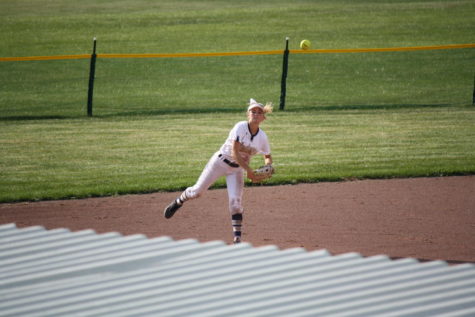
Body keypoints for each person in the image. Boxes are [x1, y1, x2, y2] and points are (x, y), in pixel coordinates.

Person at [164, 98, 274, 244]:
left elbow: (267, 156)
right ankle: (179, 201)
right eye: (252, 111)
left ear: (263, 118)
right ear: (248, 114)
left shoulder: (262, 137)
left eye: (259, 112)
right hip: (220, 162)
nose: (255, 114)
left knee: (235, 203)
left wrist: (269, 166)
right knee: (197, 192)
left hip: (236, 170)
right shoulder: (240, 127)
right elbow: (235, 152)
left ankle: (237, 239)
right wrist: (249, 171)